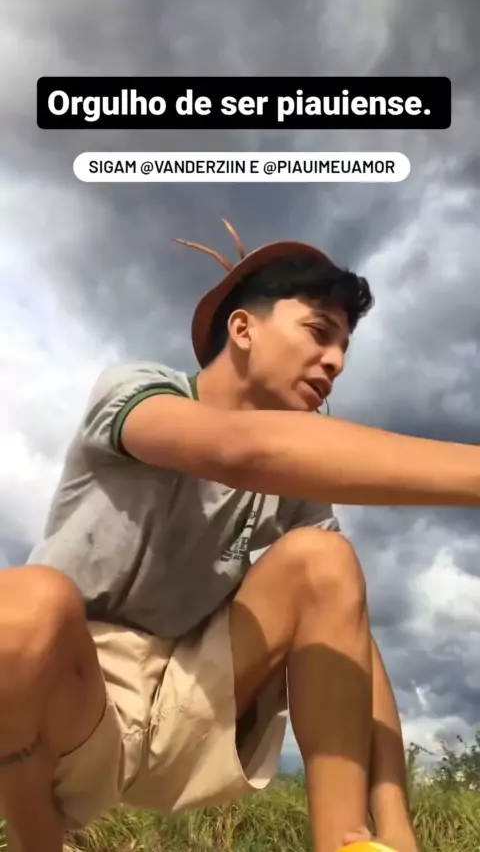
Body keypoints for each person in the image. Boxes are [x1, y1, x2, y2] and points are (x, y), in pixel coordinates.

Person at [1, 220, 479, 852]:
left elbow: (349, 629)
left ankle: (350, 840)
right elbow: (240, 450)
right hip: (64, 711)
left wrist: (396, 821)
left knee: (325, 561)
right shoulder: (137, 391)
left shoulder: (293, 487)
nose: (336, 362)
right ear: (244, 329)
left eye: (344, 348)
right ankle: (38, 839)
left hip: (189, 706)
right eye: (319, 332)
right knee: (28, 603)